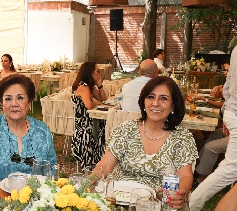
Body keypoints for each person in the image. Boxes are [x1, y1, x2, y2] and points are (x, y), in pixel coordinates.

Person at [94, 76, 198, 210]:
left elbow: (185, 175)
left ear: (173, 105)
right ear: (143, 102)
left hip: (161, 203)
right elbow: (105, 165)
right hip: (120, 200)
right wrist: (93, 176)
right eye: (150, 97)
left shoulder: (182, 137)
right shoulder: (126, 130)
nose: (155, 103)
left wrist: (180, 194)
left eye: (163, 98)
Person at [0, 74, 57, 181]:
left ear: (29, 103)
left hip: (37, 195)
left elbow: (52, 169)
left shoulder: (42, 131)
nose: (14, 103)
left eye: (20, 98)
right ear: (2, 103)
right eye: (8, 99)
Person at [189, 46, 237, 210]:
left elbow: (229, 88)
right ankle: (191, 203)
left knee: (230, 169)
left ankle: (191, 202)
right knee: (230, 169)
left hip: (233, 114)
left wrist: (228, 113)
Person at [71, 62, 108, 170]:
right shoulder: (83, 87)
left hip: (90, 121)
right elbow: (89, 106)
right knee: (104, 127)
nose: (99, 73)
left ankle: (100, 162)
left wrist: (99, 84)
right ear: (90, 73)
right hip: (84, 126)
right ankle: (93, 163)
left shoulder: (90, 86)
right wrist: (95, 103)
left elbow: (103, 99)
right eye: (97, 71)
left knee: (105, 125)